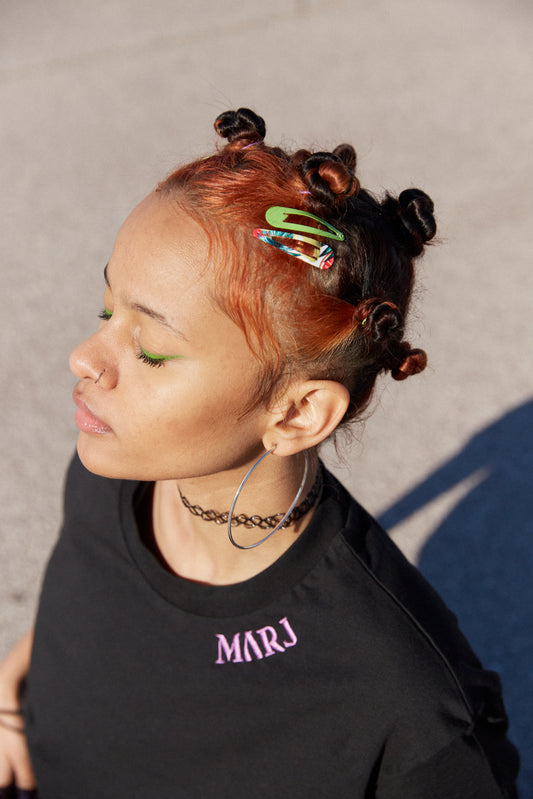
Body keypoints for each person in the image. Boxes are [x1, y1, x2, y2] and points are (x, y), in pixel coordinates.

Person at [0, 108, 519, 798]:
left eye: (150, 350)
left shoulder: (403, 707)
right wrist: (15, 692)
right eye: (106, 310)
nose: (84, 357)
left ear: (297, 413)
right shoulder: (115, 468)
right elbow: (93, 607)